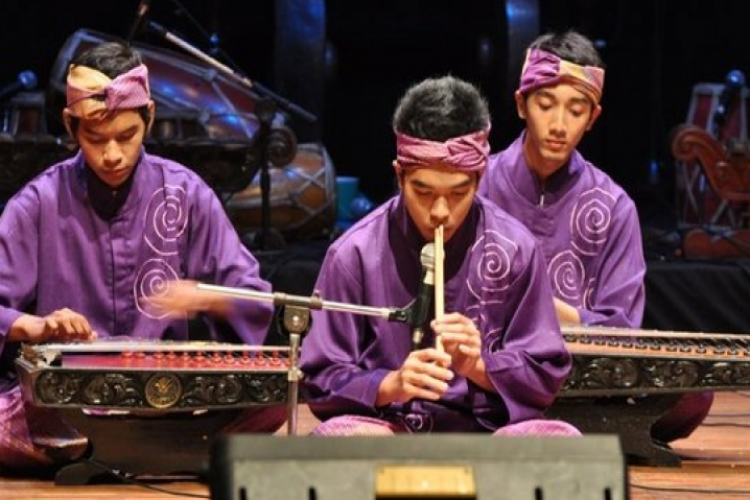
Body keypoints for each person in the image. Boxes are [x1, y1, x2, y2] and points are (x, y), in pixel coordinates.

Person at [0, 41, 285, 471]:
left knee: (276, 400)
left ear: (149, 119)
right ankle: (158, 454)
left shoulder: (186, 194)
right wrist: (36, 325)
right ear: (71, 125)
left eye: (126, 135)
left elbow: (254, 296)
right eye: (95, 138)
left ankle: (104, 453)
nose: (111, 154)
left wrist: (207, 296)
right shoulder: (37, 203)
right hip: (70, 406)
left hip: (168, 400)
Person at [299, 75, 578, 436]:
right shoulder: (354, 253)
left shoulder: (517, 248)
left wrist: (477, 364)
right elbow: (321, 376)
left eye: (459, 192)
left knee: (559, 442)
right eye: (424, 191)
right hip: (388, 429)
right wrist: (391, 385)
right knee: (341, 439)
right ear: (400, 176)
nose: (441, 212)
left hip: (486, 434)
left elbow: (544, 374)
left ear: (479, 177)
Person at [477, 30, 712, 442]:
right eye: (545, 105)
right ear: (520, 103)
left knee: (694, 391)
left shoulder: (613, 205)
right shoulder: (475, 186)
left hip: (579, 373)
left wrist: (540, 311)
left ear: (594, 117)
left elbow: (619, 327)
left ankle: (540, 421)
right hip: (488, 368)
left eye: (576, 110)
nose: (558, 125)